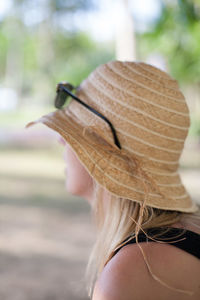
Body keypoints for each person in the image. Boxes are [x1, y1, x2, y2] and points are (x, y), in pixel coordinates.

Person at [26, 61, 200, 300]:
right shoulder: (187, 235)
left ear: (103, 153)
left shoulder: (135, 269)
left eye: (73, 135)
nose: (62, 141)